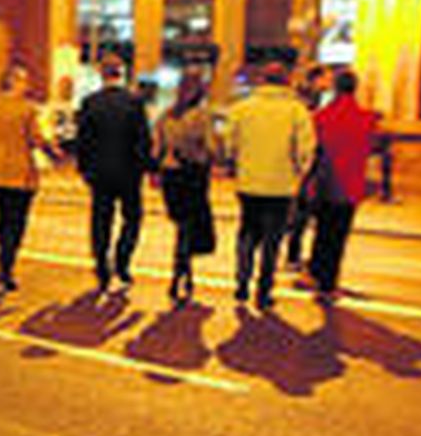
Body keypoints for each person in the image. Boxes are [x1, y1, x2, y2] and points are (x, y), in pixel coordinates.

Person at [223, 62, 316, 310]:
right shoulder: (297, 111)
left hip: (249, 183)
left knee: (247, 234)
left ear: (262, 80)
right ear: (286, 82)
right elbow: (306, 150)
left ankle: (241, 283)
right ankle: (263, 291)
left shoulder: (242, 108)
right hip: (281, 186)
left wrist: (236, 164)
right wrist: (298, 173)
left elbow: (229, 144)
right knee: (272, 240)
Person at [76, 56, 153, 292]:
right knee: (133, 218)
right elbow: (143, 140)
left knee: (101, 219)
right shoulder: (134, 102)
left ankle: (101, 266)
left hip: (99, 173)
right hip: (129, 173)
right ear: (122, 73)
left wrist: (84, 169)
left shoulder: (90, 102)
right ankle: (122, 260)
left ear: (101, 74)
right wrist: (146, 168)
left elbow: (83, 140)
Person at [0, 65, 49, 291]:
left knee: (3, 219)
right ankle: (7, 267)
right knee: (17, 223)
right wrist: (54, 150)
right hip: (21, 174)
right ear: (14, 82)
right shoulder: (27, 110)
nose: (27, 85)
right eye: (23, 80)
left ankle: (2, 261)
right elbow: (36, 139)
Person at [308, 68, 378, 301]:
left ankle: (316, 273)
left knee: (322, 231)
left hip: (325, 182)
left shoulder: (320, 117)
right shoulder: (366, 119)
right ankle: (328, 285)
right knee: (337, 236)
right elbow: (371, 149)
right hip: (350, 185)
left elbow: (314, 151)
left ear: (335, 88)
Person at [152, 67, 217, 305]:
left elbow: (156, 149)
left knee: (182, 227)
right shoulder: (200, 115)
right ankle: (179, 276)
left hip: (171, 175)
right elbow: (211, 148)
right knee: (189, 228)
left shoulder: (167, 115)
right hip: (193, 175)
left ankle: (184, 274)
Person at [283, 64, 329, 270]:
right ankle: (293, 254)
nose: (328, 83)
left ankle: (294, 252)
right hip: (308, 159)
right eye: (325, 78)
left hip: (305, 159)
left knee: (303, 209)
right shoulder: (307, 101)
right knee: (302, 209)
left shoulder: (307, 98)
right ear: (315, 79)